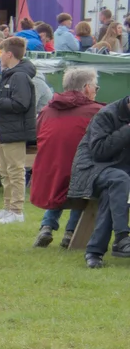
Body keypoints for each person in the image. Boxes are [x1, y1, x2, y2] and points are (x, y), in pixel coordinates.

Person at [31, 66, 102, 247]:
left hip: (48, 172)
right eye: (96, 87)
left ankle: (47, 226)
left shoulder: (47, 110)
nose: (96, 90)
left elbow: (38, 134)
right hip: (80, 173)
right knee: (84, 177)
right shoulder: (95, 111)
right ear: (87, 87)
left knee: (62, 176)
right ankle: (71, 232)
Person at [67, 93, 130, 268]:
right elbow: (99, 151)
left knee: (115, 189)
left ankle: (94, 252)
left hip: (119, 174)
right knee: (119, 180)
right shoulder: (106, 115)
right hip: (91, 170)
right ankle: (122, 237)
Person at [0, 37, 36, 224]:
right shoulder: (9, 74)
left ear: (9, 54)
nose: (0, 56)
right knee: (5, 171)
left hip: (13, 130)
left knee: (15, 170)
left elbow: (21, 104)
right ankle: (7, 207)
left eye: (2, 52)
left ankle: (17, 211)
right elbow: (6, 103)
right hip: (1, 128)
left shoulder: (19, 76)